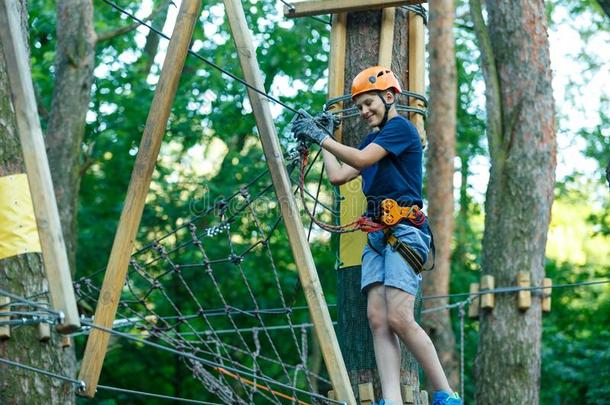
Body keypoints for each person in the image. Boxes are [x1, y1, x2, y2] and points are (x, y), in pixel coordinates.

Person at [291, 66, 462, 405]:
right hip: (377, 238)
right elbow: (339, 175)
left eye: (369, 103)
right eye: (360, 107)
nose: (365, 111)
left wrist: (321, 136)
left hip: (404, 232)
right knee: (378, 319)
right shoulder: (373, 140)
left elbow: (360, 158)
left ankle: (446, 394)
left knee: (399, 316)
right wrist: (322, 137)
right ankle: (392, 401)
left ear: (388, 97)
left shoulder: (400, 129)